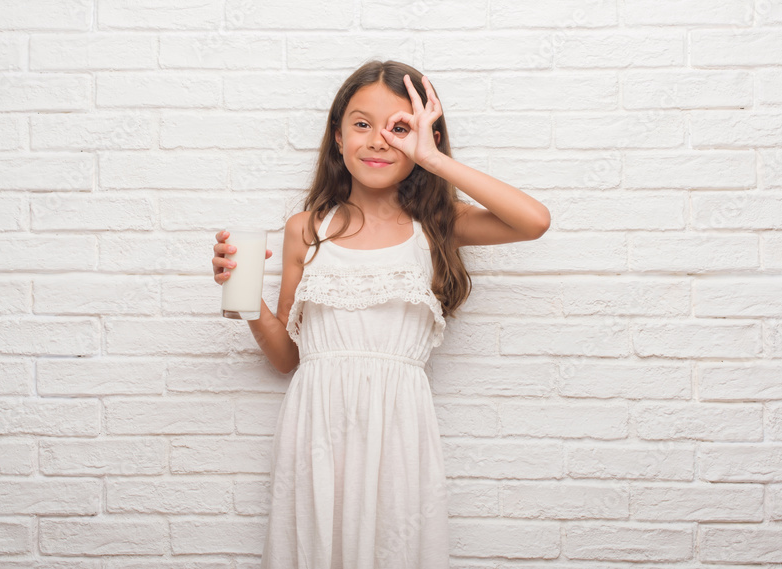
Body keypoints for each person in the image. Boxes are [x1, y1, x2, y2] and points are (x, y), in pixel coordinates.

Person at [211, 59, 550, 569]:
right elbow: (286, 358)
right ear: (338, 135)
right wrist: (243, 296)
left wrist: (432, 159)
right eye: (362, 124)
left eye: (399, 128)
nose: (377, 140)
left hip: (399, 427)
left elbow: (533, 221)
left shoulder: (436, 223)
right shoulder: (307, 227)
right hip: (315, 427)